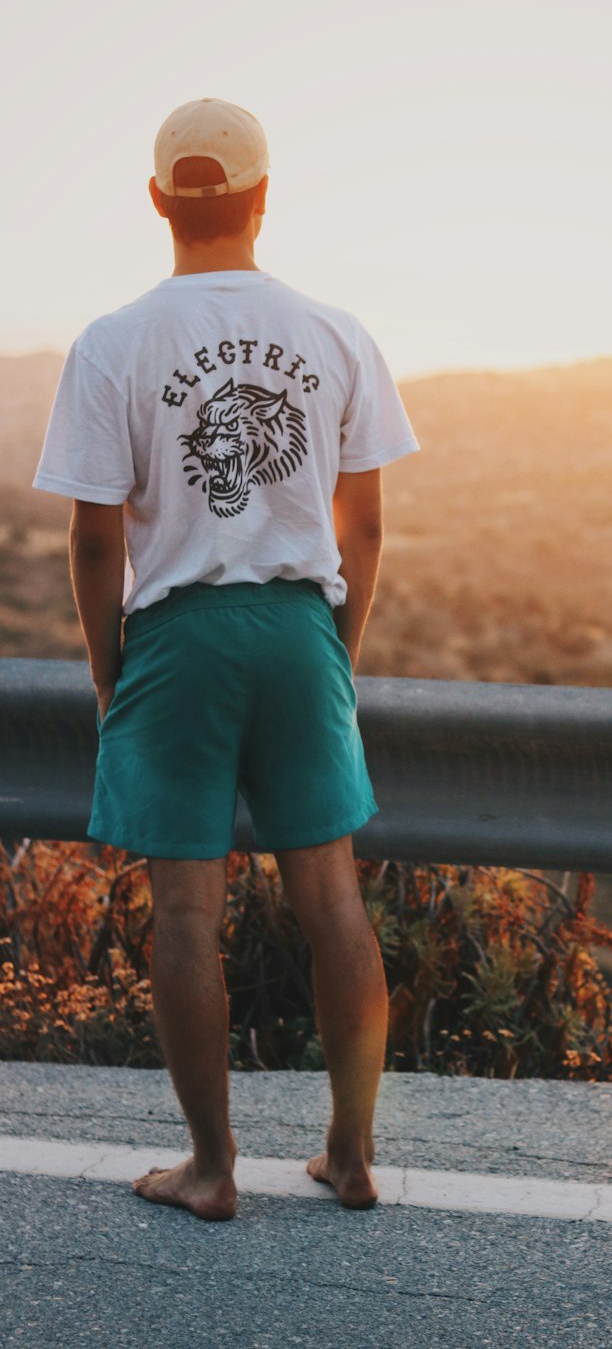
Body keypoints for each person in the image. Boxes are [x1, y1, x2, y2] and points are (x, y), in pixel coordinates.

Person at [32, 97, 419, 1221]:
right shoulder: (336, 331)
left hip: (177, 642)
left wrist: (112, 673)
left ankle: (210, 1170)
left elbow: (97, 536)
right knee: (333, 902)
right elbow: (369, 531)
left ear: (159, 201)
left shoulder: (112, 343)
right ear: (262, 198)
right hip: (300, 629)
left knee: (188, 915)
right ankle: (349, 1155)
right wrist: (332, 654)